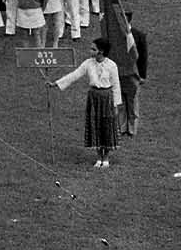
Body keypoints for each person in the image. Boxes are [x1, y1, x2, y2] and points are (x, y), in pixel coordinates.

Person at [54, 37, 122, 167]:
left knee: (106, 125)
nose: (91, 51)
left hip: (107, 98)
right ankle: (98, 157)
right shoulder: (88, 63)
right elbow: (75, 75)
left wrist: (116, 105)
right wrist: (57, 83)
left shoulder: (112, 65)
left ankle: (106, 157)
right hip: (94, 98)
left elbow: (116, 85)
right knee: (95, 124)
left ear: (101, 51)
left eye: (93, 49)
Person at [118, 10, 148, 136]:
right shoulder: (115, 34)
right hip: (119, 72)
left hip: (133, 73)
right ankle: (122, 127)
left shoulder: (138, 35)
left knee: (132, 102)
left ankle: (132, 128)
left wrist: (142, 75)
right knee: (121, 102)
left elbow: (143, 57)